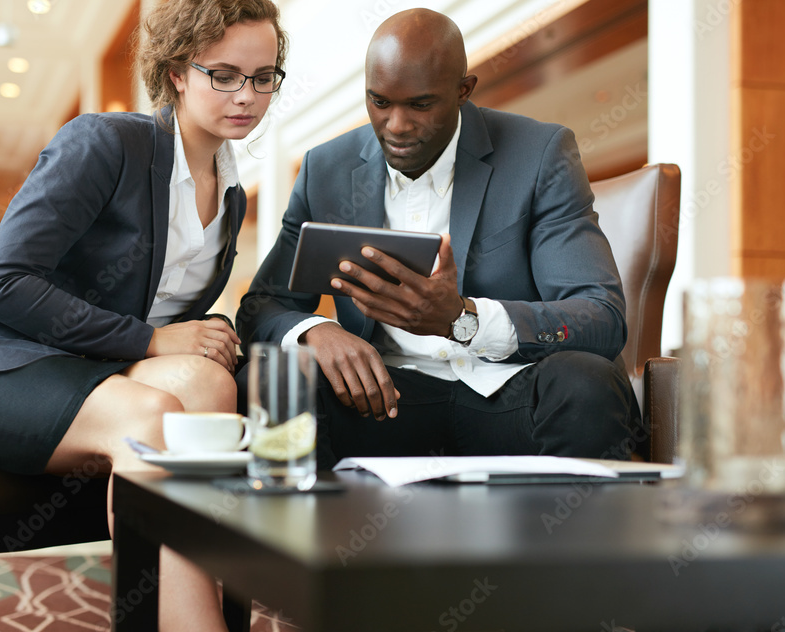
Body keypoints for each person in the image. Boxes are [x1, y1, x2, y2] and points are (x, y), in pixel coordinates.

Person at [0, 0, 287, 629]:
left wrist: (200, 328)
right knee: (155, 415)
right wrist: (153, 340)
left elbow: (151, 298)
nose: (246, 94)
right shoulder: (106, 143)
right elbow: (3, 284)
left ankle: (191, 608)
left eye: (263, 76)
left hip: (84, 370)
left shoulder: (231, 190)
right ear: (177, 74)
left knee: (211, 383)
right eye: (224, 74)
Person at [236, 8, 641, 469]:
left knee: (588, 383)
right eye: (380, 102)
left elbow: (600, 316)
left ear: (463, 91)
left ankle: (559, 538)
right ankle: (318, 538)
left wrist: (461, 319)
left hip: (509, 391)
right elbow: (258, 309)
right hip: (384, 401)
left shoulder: (539, 155)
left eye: (421, 105)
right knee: (269, 377)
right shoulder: (325, 171)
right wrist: (316, 332)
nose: (397, 126)